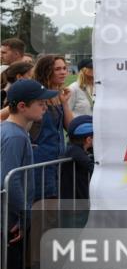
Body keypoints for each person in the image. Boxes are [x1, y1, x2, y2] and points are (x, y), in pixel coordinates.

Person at [1, 80, 55, 269]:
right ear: (22, 106)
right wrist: (24, 215)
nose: (45, 107)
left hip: (9, 217)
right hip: (9, 220)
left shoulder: (11, 132)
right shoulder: (15, 136)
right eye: (40, 103)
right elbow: (9, 180)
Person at [29, 55, 74, 200]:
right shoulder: (35, 94)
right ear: (46, 71)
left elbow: (71, 128)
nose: (63, 72)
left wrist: (65, 103)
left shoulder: (59, 95)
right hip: (40, 161)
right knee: (43, 204)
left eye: (64, 68)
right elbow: (7, 113)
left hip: (58, 160)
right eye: (57, 69)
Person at [59, 115, 96, 227]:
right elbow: (91, 167)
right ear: (89, 140)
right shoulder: (74, 151)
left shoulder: (79, 149)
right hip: (73, 205)